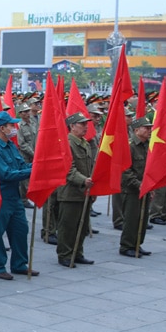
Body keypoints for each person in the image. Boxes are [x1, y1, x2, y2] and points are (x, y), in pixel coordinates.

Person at [0, 111, 37, 280]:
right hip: (0, 196)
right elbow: (6, 174)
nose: (14, 127)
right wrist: (32, 171)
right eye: (11, 125)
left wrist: (33, 166)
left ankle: (19, 264)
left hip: (14, 196)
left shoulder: (10, 145)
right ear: (2, 128)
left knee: (20, 229)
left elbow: (21, 165)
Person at [56, 113, 96, 267]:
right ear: (72, 126)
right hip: (70, 192)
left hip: (84, 191)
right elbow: (68, 169)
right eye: (82, 124)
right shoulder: (67, 143)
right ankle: (65, 254)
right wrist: (84, 180)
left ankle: (77, 252)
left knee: (82, 224)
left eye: (86, 124)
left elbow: (89, 166)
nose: (86, 127)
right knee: (68, 226)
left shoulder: (84, 143)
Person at [120, 116, 153, 257]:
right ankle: (127, 246)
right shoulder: (130, 146)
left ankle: (137, 243)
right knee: (132, 218)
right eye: (146, 127)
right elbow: (125, 170)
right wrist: (139, 185)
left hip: (144, 187)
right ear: (136, 130)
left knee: (143, 217)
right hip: (131, 189)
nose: (149, 130)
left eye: (150, 127)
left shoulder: (147, 145)